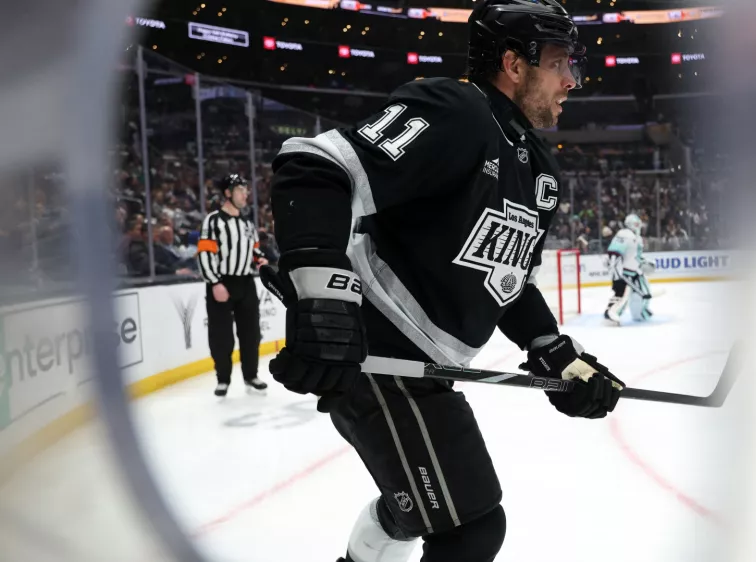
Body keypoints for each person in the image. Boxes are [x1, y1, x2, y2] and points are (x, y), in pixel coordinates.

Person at [261, 1, 625, 561]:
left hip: (424, 369)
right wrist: (324, 297)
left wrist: (554, 350)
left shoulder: (539, 173)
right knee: (470, 529)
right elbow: (316, 166)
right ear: (513, 62)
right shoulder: (456, 109)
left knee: (423, 511)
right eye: (559, 63)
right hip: (376, 351)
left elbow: (507, 280)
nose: (572, 81)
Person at [197, 174, 269, 396]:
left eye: (245, 190)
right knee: (221, 335)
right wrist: (215, 282)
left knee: (251, 333)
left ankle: (251, 375)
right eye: (240, 190)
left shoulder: (247, 223)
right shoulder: (213, 220)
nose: (245, 194)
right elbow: (205, 254)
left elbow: (254, 249)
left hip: (245, 283)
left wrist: (261, 260)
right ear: (227, 193)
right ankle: (223, 379)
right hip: (221, 282)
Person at [603, 214, 654, 326]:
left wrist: (644, 262)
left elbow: (636, 255)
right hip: (624, 273)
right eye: (637, 224)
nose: (639, 227)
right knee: (622, 295)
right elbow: (614, 252)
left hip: (635, 272)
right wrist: (616, 270)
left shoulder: (637, 238)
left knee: (645, 292)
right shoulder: (624, 234)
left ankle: (640, 313)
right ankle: (610, 315)